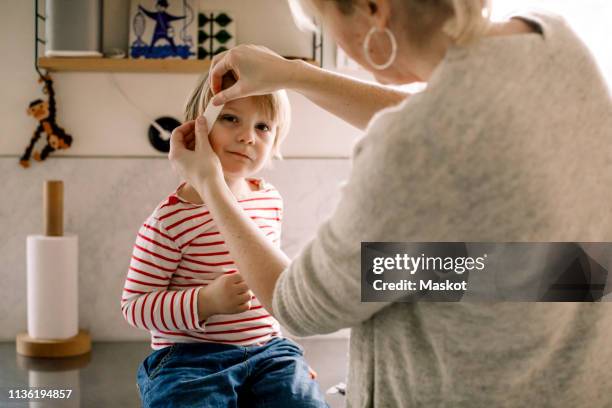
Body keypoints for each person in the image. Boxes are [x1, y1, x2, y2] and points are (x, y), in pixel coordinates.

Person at [168, 0, 612, 406]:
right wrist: (295, 74)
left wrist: (210, 185)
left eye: (323, 21)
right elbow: (454, 127)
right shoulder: (556, 41)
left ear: (373, 10)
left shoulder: (409, 150)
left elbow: (297, 306)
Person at [121, 73, 328, 407]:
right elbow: (134, 306)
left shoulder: (270, 200)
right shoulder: (169, 220)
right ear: (195, 130)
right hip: (189, 360)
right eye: (231, 118)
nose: (247, 136)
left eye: (263, 127)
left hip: (268, 352)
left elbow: (270, 286)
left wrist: (289, 365)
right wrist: (205, 301)